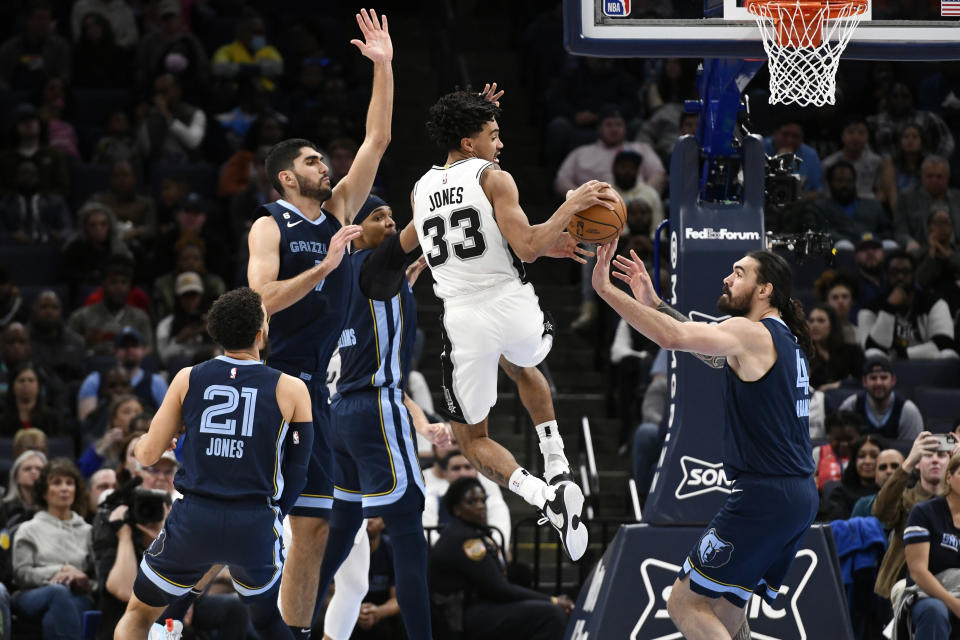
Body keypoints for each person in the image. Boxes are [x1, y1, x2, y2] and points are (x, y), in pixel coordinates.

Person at [400, 88, 615, 562]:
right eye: (493, 135)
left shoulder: (418, 189)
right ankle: (557, 465)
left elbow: (417, 236)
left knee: (471, 440)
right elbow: (528, 248)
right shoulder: (494, 177)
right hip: (513, 306)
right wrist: (571, 206)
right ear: (470, 143)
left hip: (463, 320)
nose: (501, 144)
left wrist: (417, 261)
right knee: (523, 364)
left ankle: (543, 494)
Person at [245, 10, 393, 635]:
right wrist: (327, 265)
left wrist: (383, 67)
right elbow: (260, 303)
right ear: (287, 177)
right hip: (269, 380)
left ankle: (296, 633)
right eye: (311, 160)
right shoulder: (269, 223)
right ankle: (171, 612)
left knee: (314, 524)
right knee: (244, 516)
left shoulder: (338, 211)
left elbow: (376, 141)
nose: (324, 165)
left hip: (317, 390)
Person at [591, 243, 818, 639]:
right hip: (797, 496)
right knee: (725, 610)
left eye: (739, 272)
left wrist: (608, 292)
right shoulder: (785, 340)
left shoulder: (750, 331)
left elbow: (675, 339)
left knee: (683, 603)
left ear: (764, 289)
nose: (727, 278)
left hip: (763, 496)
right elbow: (712, 354)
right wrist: (656, 304)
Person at [113, 287, 313, 639]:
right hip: (254, 521)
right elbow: (298, 468)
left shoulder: (187, 377)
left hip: (196, 517)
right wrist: (277, 514)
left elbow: (145, 456)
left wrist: (150, 441)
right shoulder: (292, 388)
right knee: (265, 620)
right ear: (259, 334)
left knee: (139, 614)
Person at [312, 195, 455, 640]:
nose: (391, 223)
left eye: (392, 215)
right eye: (378, 217)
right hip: (376, 406)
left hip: (341, 416)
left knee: (338, 539)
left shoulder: (344, 276)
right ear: (353, 231)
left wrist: (406, 284)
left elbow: (378, 310)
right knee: (409, 532)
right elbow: (420, 231)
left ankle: (289, 628)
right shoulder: (376, 264)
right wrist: (448, 189)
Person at [430, 477, 572, 640]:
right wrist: (552, 601)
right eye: (472, 502)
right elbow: (499, 589)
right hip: (458, 619)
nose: (481, 506)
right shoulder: (466, 541)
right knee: (550, 614)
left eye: (482, 500)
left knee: (522, 576)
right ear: (456, 509)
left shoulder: (466, 531)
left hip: (471, 607)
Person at [11, 458, 96, 637]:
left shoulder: (88, 531)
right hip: (33, 594)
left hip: (77, 595)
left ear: (76, 490)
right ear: (44, 491)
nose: (64, 488)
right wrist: (59, 570)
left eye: (69, 483)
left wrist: (84, 581)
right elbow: (21, 575)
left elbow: (98, 579)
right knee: (58, 593)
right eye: (56, 483)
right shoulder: (28, 529)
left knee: (53, 617)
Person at [874, 431, 949, 600]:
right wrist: (907, 463)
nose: (935, 459)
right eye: (928, 454)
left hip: (950, 582)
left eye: (942, 455)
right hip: (901, 583)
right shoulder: (904, 497)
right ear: (918, 463)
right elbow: (881, 513)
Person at [901, 451, 960, 638]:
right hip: (927, 594)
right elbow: (918, 571)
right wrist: (954, 604)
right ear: (949, 477)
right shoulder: (925, 512)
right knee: (935, 611)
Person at [857, 250, 958, 360]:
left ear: (914, 275)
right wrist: (889, 308)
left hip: (927, 364)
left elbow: (944, 342)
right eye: (894, 272)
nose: (900, 277)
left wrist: (902, 355)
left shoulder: (933, 303)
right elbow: (870, 348)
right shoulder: (870, 308)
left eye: (905, 272)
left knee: (949, 354)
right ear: (886, 275)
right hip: (887, 370)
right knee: (871, 354)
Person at [76, 326, 167, 422]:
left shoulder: (156, 381)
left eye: (134, 345)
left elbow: (167, 419)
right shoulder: (95, 380)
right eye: (124, 346)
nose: (129, 350)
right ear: (115, 350)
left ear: (143, 350)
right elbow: (85, 423)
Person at [837, 353, 924, 440]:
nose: (878, 383)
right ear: (864, 381)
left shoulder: (908, 411)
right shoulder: (852, 406)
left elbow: (914, 450)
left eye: (884, 377)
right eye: (873, 378)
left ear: (893, 380)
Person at [820, 434, 887, 521]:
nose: (867, 461)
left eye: (874, 456)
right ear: (854, 461)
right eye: (861, 456)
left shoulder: (893, 492)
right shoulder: (839, 493)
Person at [807, 304, 863, 391]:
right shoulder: (805, 354)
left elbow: (863, 380)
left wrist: (838, 385)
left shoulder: (852, 352)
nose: (814, 325)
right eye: (811, 321)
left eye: (820, 321)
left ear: (832, 324)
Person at [852, 448, 905, 518]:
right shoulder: (863, 505)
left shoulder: (916, 501)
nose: (888, 471)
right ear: (875, 475)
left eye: (895, 466)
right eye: (882, 467)